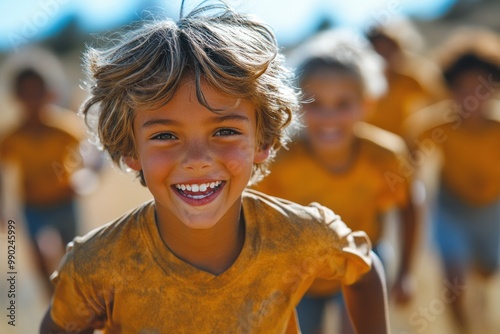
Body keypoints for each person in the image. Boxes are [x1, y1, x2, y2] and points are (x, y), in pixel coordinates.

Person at [39, 2, 389, 333]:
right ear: (132, 150)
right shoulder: (96, 265)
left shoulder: (302, 235)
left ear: (263, 141)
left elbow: (364, 270)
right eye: (165, 135)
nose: (197, 159)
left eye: (224, 131)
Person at [255, 30, 417, 333]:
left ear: (367, 104)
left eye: (343, 103)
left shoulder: (386, 155)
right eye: (316, 103)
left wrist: (407, 272)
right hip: (301, 272)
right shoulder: (280, 160)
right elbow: (257, 221)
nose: (329, 116)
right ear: (298, 104)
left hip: (363, 260)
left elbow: (409, 205)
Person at [407, 27, 500, 333]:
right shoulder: (438, 124)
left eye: (481, 88)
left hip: (492, 209)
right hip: (451, 209)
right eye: (462, 87)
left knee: (487, 271)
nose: (471, 97)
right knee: (455, 282)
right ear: (450, 88)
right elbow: (408, 153)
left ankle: (484, 297)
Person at [0, 68, 82, 296]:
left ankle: (80, 310)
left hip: (65, 203)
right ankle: (53, 309)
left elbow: (87, 154)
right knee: (40, 256)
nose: (33, 98)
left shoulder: (64, 128)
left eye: (38, 91)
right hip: (33, 207)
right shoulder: (12, 137)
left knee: (74, 258)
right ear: (16, 97)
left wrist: (84, 178)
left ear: (50, 94)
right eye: (26, 92)